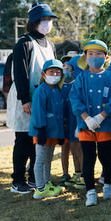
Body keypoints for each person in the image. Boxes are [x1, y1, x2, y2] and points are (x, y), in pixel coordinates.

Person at [7, 2, 57, 194]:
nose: (47, 23)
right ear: (34, 21)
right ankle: (17, 180)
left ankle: (35, 178)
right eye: (44, 19)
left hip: (45, 99)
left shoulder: (50, 45)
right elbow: (20, 73)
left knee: (40, 139)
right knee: (23, 140)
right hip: (26, 99)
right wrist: (25, 99)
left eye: (49, 19)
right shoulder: (24, 43)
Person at [69, 40, 111, 207]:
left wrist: (100, 117)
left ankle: (108, 186)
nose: (94, 57)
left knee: (106, 156)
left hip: (106, 123)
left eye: (99, 54)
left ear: (106, 57)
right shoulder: (81, 78)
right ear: (85, 56)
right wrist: (87, 118)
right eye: (90, 53)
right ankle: (90, 191)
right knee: (89, 157)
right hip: (86, 125)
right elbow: (75, 99)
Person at [29, 58, 66, 199]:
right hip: (42, 132)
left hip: (53, 132)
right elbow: (38, 112)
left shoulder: (57, 90)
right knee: (40, 159)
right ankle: (40, 188)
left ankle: (46, 182)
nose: (55, 75)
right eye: (52, 72)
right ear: (44, 74)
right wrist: (41, 130)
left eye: (58, 72)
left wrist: (61, 134)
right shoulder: (41, 91)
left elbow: (59, 114)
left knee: (48, 158)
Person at [59, 55, 84, 190]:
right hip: (65, 122)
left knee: (77, 149)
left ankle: (79, 173)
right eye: (64, 67)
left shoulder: (77, 85)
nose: (66, 70)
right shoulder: (61, 86)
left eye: (68, 67)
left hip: (76, 122)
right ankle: (67, 173)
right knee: (65, 148)